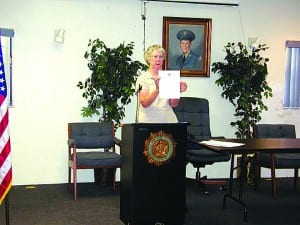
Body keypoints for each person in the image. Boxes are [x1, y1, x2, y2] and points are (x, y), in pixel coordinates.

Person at [136, 44, 187, 123]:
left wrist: (178, 90)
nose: (158, 59)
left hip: (169, 121)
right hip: (148, 122)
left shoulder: (169, 76)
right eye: (155, 56)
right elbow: (144, 103)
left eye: (161, 57)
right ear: (148, 59)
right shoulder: (142, 78)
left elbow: (173, 104)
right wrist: (158, 89)